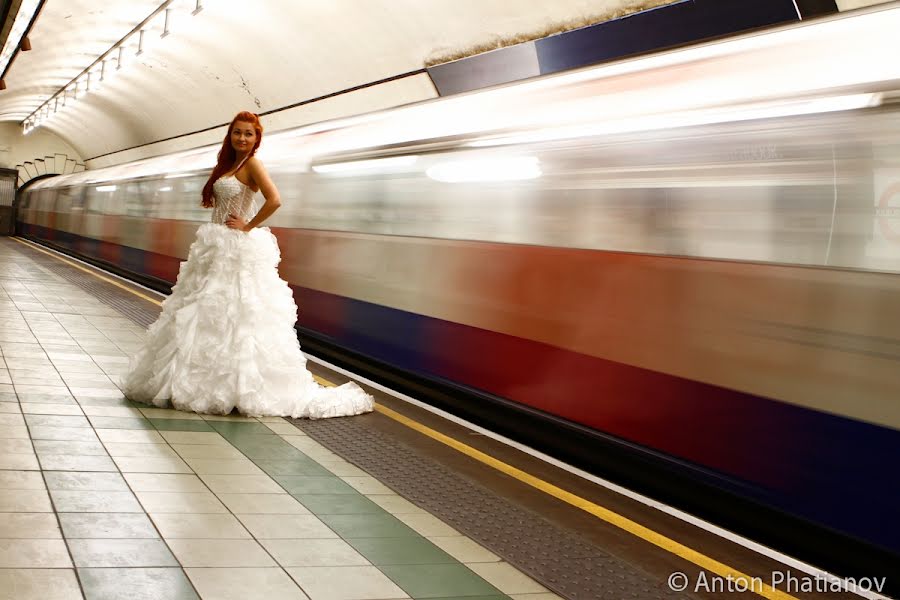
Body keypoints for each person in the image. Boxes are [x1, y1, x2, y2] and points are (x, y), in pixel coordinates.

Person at [121, 111, 373, 419]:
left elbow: (274, 199)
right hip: (213, 246)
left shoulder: (253, 164)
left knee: (236, 314)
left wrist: (248, 225)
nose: (242, 138)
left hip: (234, 246)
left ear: (257, 139)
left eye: (249, 134)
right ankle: (193, 379)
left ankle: (236, 386)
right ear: (230, 135)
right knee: (204, 311)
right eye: (238, 132)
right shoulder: (228, 164)